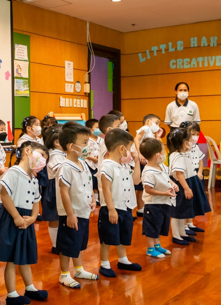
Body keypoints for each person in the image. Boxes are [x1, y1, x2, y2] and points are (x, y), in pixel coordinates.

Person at [0, 141, 48, 305]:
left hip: (26, 219)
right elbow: (4, 195)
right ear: (27, 151)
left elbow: (36, 200)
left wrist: (33, 218)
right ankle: (11, 294)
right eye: (41, 155)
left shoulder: (33, 177)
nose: (42, 162)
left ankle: (30, 288)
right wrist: (17, 217)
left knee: (24, 255)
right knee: (11, 259)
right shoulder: (14, 172)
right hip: (12, 217)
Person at [56, 123, 99, 288]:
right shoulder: (65, 167)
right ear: (71, 146)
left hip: (83, 211)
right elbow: (64, 192)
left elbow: (88, 184)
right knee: (68, 244)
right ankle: (64, 274)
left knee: (79, 242)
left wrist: (93, 200)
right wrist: (70, 214)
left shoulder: (84, 163)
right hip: (71, 213)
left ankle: (79, 269)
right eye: (84, 143)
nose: (87, 147)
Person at [98, 128, 142, 277]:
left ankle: (123, 260)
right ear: (122, 148)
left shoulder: (124, 165)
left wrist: (136, 162)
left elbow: (137, 180)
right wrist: (111, 209)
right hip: (112, 208)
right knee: (107, 238)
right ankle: (104, 264)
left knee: (123, 235)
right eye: (130, 148)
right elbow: (106, 189)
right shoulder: (107, 165)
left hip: (125, 206)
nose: (131, 151)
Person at [140, 138, 177, 258]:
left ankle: (157, 246)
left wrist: (173, 184)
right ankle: (150, 249)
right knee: (152, 227)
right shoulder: (149, 172)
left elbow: (167, 178)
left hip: (164, 203)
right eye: (163, 151)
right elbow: (148, 189)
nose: (164, 153)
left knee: (159, 225)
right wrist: (165, 193)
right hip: (153, 204)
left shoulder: (162, 167)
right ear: (157, 155)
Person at [168, 129, 197, 245]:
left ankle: (182, 233)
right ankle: (176, 235)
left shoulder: (183, 154)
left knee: (182, 211)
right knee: (177, 212)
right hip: (180, 185)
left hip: (185, 183)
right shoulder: (178, 156)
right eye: (190, 140)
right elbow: (179, 174)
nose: (192, 141)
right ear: (185, 143)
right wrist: (186, 188)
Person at [133, 114, 164, 218]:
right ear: (148, 122)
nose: (158, 125)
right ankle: (140, 209)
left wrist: (158, 137)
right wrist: (140, 153)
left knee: (145, 185)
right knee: (141, 186)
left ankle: (143, 207)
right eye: (156, 123)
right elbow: (136, 139)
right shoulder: (145, 128)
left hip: (146, 161)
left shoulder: (151, 133)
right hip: (141, 160)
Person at [182, 121, 211, 232]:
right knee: (186, 202)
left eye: (197, 134)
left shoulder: (196, 147)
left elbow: (200, 160)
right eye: (192, 134)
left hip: (195, 176)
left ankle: (190, 223)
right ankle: (184, 225)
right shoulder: (183, 148)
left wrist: (200, 172)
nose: (195, 137)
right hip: (186, 177)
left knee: (193, 201)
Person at [42, 127, 64, 254]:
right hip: (54, 188)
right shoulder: (54, 154)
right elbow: (60, 170)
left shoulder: (60, 153)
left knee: (59, 217)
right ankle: (56, 245)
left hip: (60, 187)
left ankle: (59, 243)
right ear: (57, 142)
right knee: (54, 218)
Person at [84, 118, 103, 204]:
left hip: (99, 164)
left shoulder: (101, 140)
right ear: (89, 129)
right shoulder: (86, 140)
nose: (98, 129)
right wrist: (93, 158)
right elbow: (84, 153)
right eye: (96, 127)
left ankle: (97, 198)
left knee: (97, 180)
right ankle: (93, 199)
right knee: (90, 180)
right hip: (89, 163)